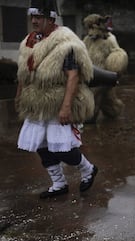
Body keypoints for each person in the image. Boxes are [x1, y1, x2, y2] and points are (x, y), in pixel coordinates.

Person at [15, 0, 98, 198]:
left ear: (51, 19)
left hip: (58, 99)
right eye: (33, 17)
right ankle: (59, 183)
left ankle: (88, 169)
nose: (34, 21)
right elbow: (24, 72)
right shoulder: (29, 41)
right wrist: (20, 93)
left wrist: (66, 107)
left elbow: (73, 75)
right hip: (35, 102)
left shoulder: (66, 43)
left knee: (62, 148)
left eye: (39, 17)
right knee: (41, 145)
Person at [83, 14, 128, 123]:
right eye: (88, 28)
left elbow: (117, 54)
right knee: (108, 99)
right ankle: (113, 111)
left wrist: (116, 69)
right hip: (91, 72)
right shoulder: (87, 40)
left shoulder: (109, 40)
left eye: (92, 28)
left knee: (94, 96)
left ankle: (90, 118)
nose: (90, 31)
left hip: (104, 74)